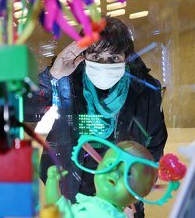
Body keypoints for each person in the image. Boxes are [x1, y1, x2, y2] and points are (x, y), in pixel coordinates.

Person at [24, 17, 167, 217]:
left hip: (122, 193)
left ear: (126, 57)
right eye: (96, 57)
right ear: (84, 56)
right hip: (72, 193)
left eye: (114, 58)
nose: (105, 64)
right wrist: (53, 76)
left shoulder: (145, 89)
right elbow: (25, 111)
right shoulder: (68, 81)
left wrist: (133, 194)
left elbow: (154, 146)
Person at [45, 141, 158, 218]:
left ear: (139, 195)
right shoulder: (84, 206)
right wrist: (52, 182)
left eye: (128, 173)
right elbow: (56, 209)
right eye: (110, 163)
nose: (115, 173)